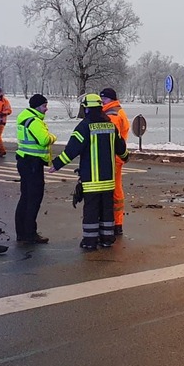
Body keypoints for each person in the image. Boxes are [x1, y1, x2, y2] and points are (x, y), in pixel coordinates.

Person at [50, 93, 127, 250]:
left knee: (91, 210)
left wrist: (56, 164)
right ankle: (107, 239)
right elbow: (122, 149)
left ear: (86, 109)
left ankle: (90, 242)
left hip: (92, 180)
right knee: (107, 210)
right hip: (108, 180)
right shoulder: (110, 125)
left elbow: (71, 150)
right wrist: (125, 158)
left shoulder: (84, 127)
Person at [14, 94, 55, 245]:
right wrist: (53, 137)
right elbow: (44, 140)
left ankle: (22, 233)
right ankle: (30, 233)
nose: (46, 109)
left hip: (26, 162)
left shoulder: (25, 117)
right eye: (44, 106)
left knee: (25, 198)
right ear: (37, 106)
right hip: (32, 164)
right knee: (33, 199)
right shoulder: (34, 121)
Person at [100, 87, 131, 236]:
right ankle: (117, 222)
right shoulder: (118, 111)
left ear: (110, 99)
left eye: (103, 99)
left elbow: (110, 139)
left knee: (112, 191)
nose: (101, 102)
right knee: (116, 189)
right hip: (117, 157)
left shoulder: (112, 114)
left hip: (112, 158)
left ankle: (114, 222)